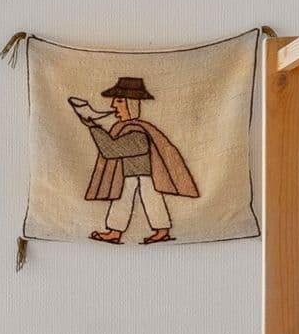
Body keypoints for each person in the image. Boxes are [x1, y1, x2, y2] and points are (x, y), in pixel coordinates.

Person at [66, 76, 202, 244]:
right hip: (129, 173)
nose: (113, 105)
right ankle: (117, 232)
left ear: (131, 104)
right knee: (123, 199)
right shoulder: (123, 128)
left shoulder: (138, 131)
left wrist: (93, 126)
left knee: (151, 199)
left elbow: (111, 150)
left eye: (119, 101)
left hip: (146, 174)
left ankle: (160, 231)